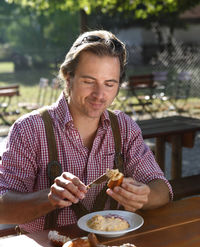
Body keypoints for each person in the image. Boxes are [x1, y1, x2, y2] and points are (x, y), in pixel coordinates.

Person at [0, 30, 172, 233]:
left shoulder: (124, 127)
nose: (100, 94)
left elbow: (162, 189)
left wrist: (145, 195)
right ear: (67, 76)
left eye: (109, 84)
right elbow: (3, 209)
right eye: (89, 81)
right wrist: (48, 197)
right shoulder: (29, 129)